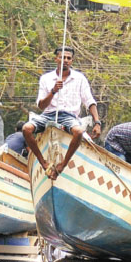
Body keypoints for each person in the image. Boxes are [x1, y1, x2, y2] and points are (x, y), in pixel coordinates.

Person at [22, 46, 101, 180]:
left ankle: (63, 164)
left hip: (69, 116)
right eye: (62, 57)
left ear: (72, 60)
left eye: (68, 58)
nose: (65, 60)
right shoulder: (46, 78)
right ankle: (43, 162)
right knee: (26, 129)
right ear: (56, 59)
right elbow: (41, 105)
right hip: (49, 114)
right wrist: (53, 91)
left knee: (79, 132)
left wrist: (97, 122)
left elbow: (89, 101)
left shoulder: (79, 78)